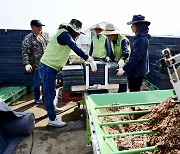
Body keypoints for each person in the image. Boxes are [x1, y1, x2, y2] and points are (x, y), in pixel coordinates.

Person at [39, 19, 97, 127]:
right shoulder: (64, 34)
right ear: (73, 30)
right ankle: (52, 119)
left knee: (52, 92)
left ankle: (53, 109)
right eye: (78, 33)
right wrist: (89, 59)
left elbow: (63, 52)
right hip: (47, 67)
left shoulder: (64, 34)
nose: (78, 35)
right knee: (49, 93)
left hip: (51, 67)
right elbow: (75, 47)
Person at [117, 15, 151, 92]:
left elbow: (136, 57)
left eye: (133, 25)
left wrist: (124, 69)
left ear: (138, 26)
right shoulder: (139, 38)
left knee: (134, 91)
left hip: (137, 73)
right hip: (136, 71)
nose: (131, 27)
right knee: (134, 90)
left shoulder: (142, 40)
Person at [22, 20, 49, 104]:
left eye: (41, 26)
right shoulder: (28, 38)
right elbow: (25, 52)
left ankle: (45, 98)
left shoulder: (43, 36)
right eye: (38, 26)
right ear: (32, 27)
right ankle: (37, 99)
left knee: (45, 82)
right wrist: (27, 64)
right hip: (36, 65)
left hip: (46, 64)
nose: (40, 28)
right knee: (37, 83)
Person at [104, 23, 131, 92]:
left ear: (113, 34)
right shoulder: (112, 41)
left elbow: (126, 52)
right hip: (118, 64)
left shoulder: (123, 40)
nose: (107, 37)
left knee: (123, 83)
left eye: (108, 35)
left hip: (124, 65)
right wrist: (109, 58)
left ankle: (123, 97)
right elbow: (112, 52)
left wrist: (122, 59)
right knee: (120, 81)